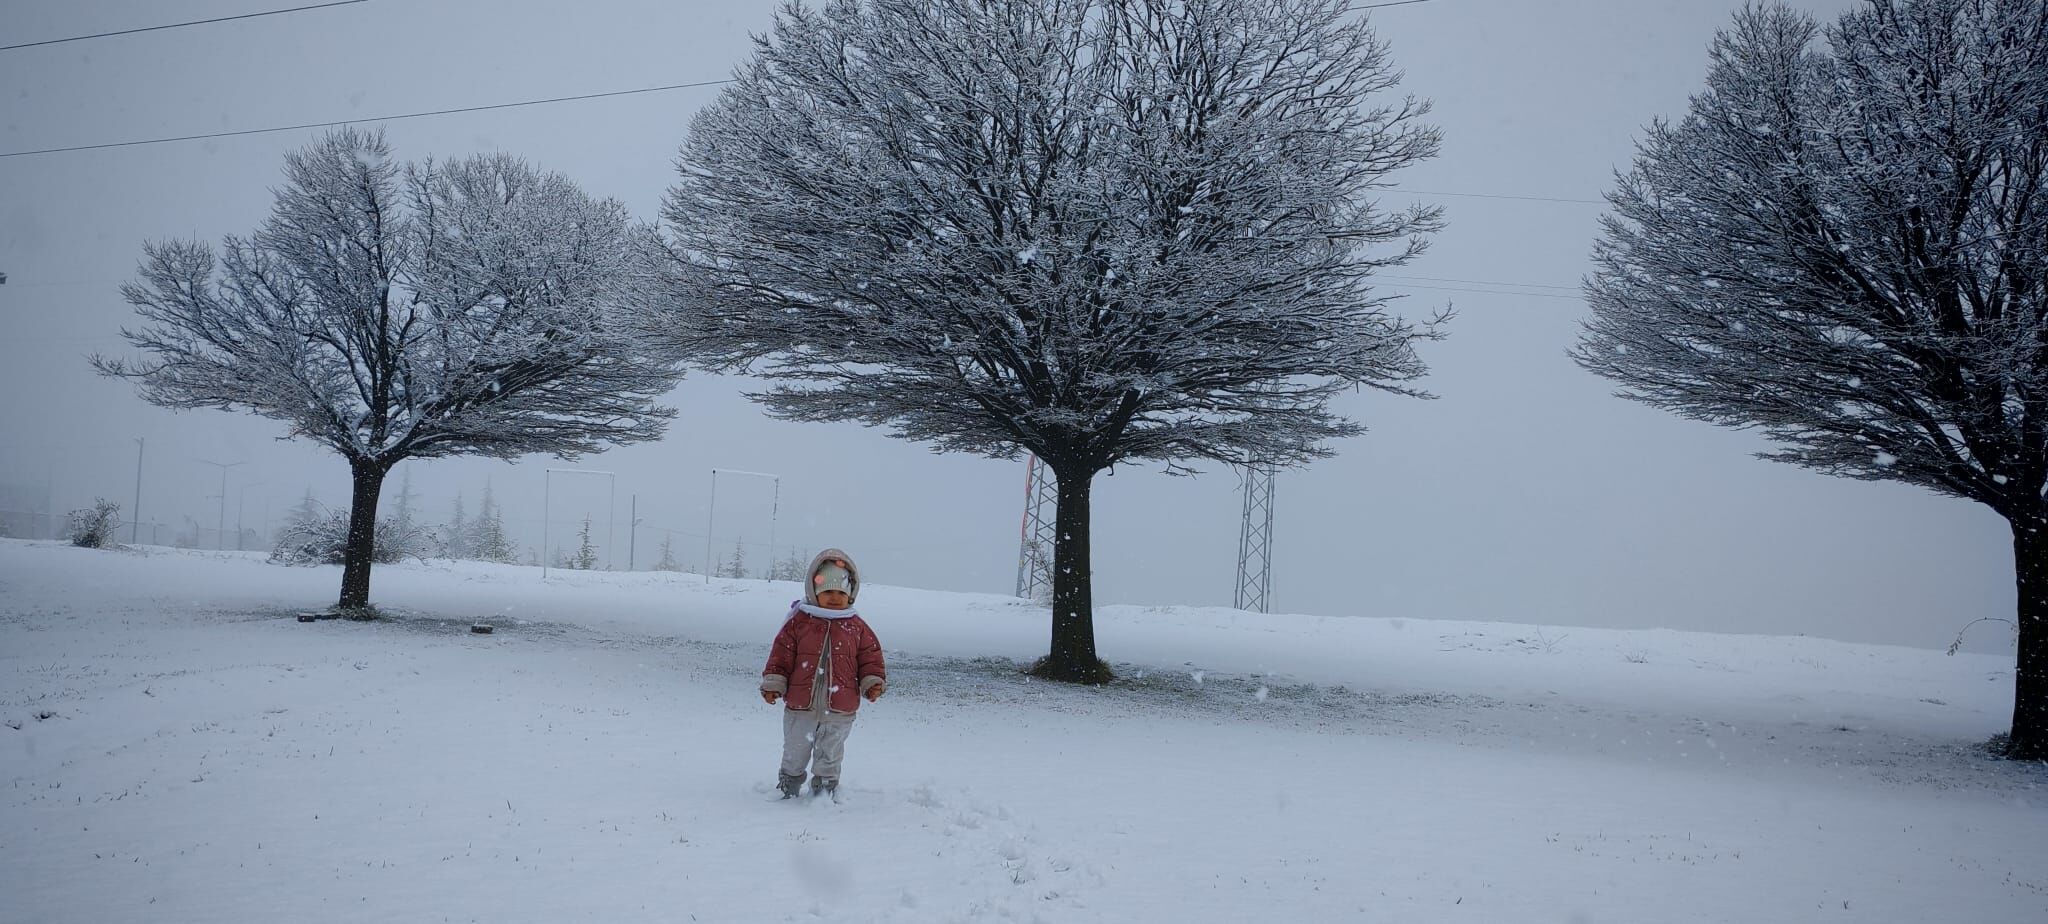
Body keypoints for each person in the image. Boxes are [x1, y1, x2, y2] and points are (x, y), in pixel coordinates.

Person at [760, 548, 886, 799]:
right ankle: (789, 785)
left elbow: (870, 659)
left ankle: (824, 791)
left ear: (850, 594)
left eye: (841, 593)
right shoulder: (799, 622)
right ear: (814, 591)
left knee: (830, 753)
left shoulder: (856, 627)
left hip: (839, 709)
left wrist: (872, 683)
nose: (835, 598)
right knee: (795, 750)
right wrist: (774, 683)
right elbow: (781, 656)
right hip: (801, 707)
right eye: (828, 592)